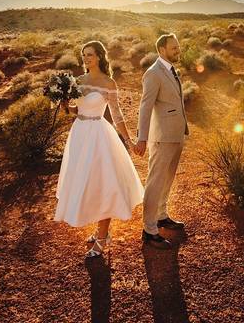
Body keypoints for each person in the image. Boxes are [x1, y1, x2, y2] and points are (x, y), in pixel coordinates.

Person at [54, 40, 144, 259]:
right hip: (79, 136)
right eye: (83, 55)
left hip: (99, 136)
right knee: (87, 183)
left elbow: (117, 114)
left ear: (100, 57)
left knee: (104, 183)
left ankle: (103, 236)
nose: (86, 58)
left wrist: (129, 141)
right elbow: (76, 109)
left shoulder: (108, 83)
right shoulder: (77, 80)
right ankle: (99, 231)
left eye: (90, 55)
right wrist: (66, 104)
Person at [132, 33, 189, 250]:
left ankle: (161, 215)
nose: (178, 50)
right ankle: (149, 229)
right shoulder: (153, 73)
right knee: (155, 181)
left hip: (176, 134)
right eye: (174, 47)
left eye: (178, 46)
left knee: (168, 178)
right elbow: (145, 107)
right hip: (162, 137)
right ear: (161, 50)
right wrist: (142, 138)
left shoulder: (171, 70)